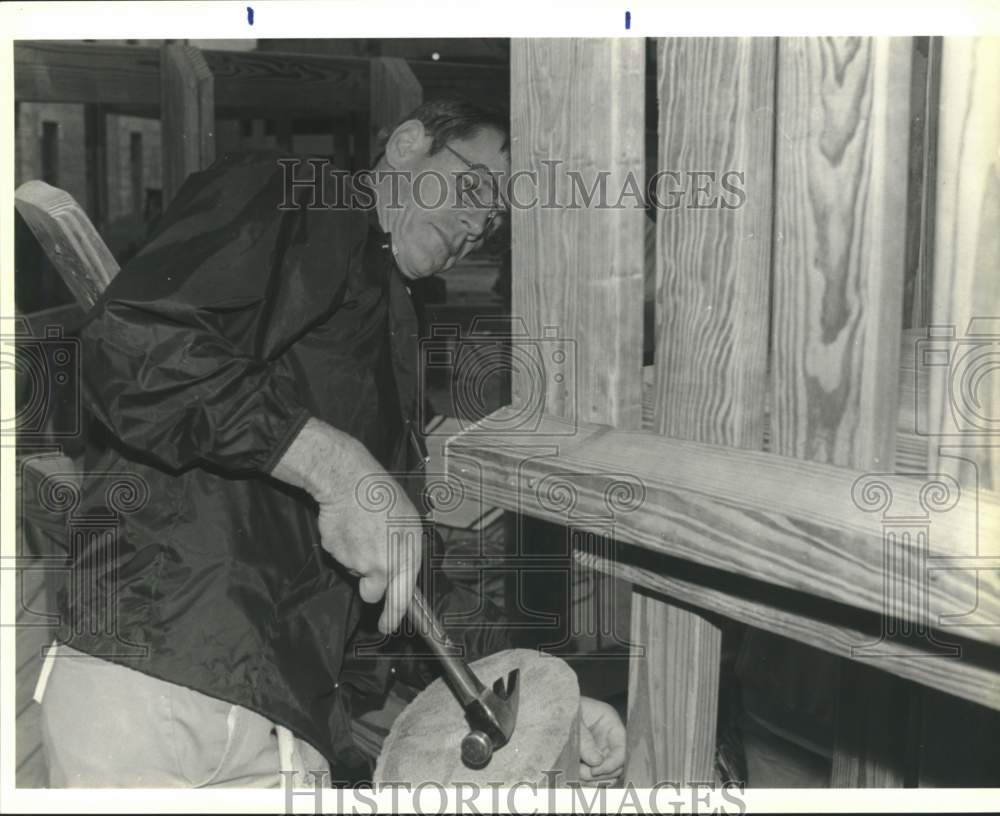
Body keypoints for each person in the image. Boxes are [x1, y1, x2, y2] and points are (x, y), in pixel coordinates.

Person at [39, 98, 626, 787]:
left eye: (495, 221)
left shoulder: (393, 317)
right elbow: (130, 345)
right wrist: (331, 463)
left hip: (288, 721)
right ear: (407, 143)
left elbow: (399, 572)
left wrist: (541, 698)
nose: (477, 225)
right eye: (474, 188)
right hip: (163, 667)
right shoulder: (303, 196)